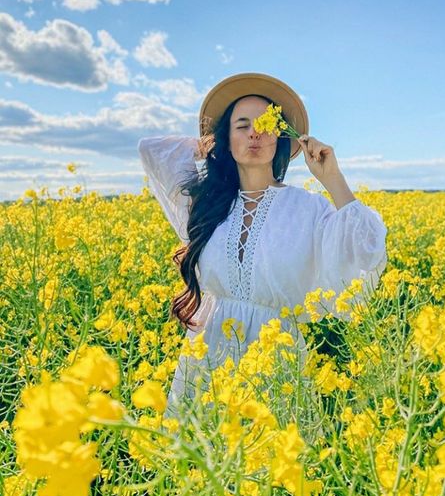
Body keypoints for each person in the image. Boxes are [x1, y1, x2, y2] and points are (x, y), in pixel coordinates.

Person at [137, 72, 388, 419]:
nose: (255, 133)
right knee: (200, 464)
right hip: (206, 360)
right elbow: (151, 150)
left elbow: (364, 252)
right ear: (224, 139)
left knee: (268, 465)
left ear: (281, 138)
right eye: (241, 126)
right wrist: (210, 143)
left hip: (276, 364)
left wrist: (333, 179)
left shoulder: (308, 208)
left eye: (266, 124)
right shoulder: (205, 204)